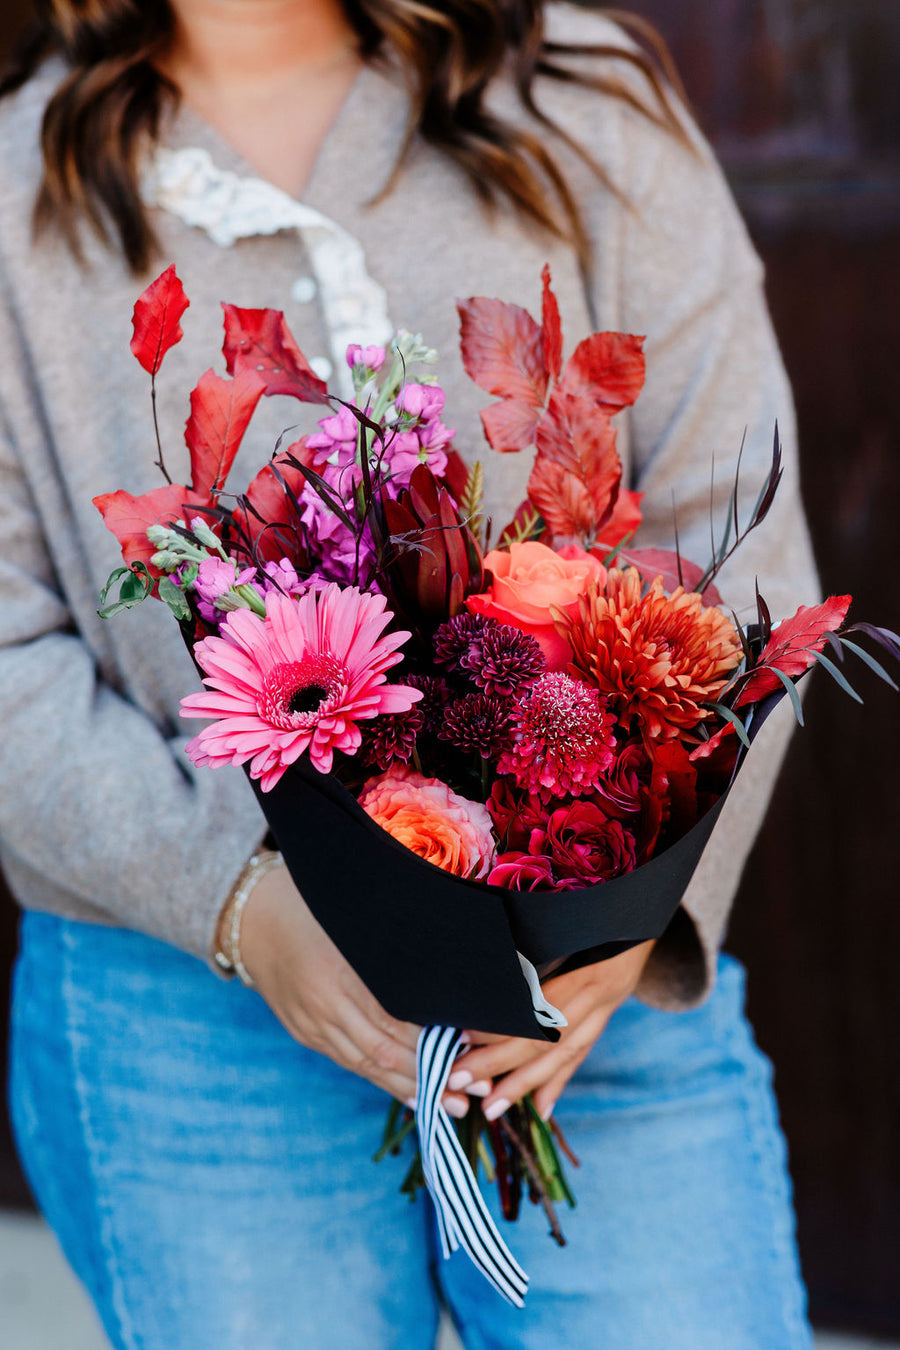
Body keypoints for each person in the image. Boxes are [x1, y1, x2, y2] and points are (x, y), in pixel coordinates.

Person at [0, 1, 819, 1346]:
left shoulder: (584, 100)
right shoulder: (20, 187)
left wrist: (620, 938)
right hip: (188, 999)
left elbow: (746, 535)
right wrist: (244, 905)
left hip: (583, 983)